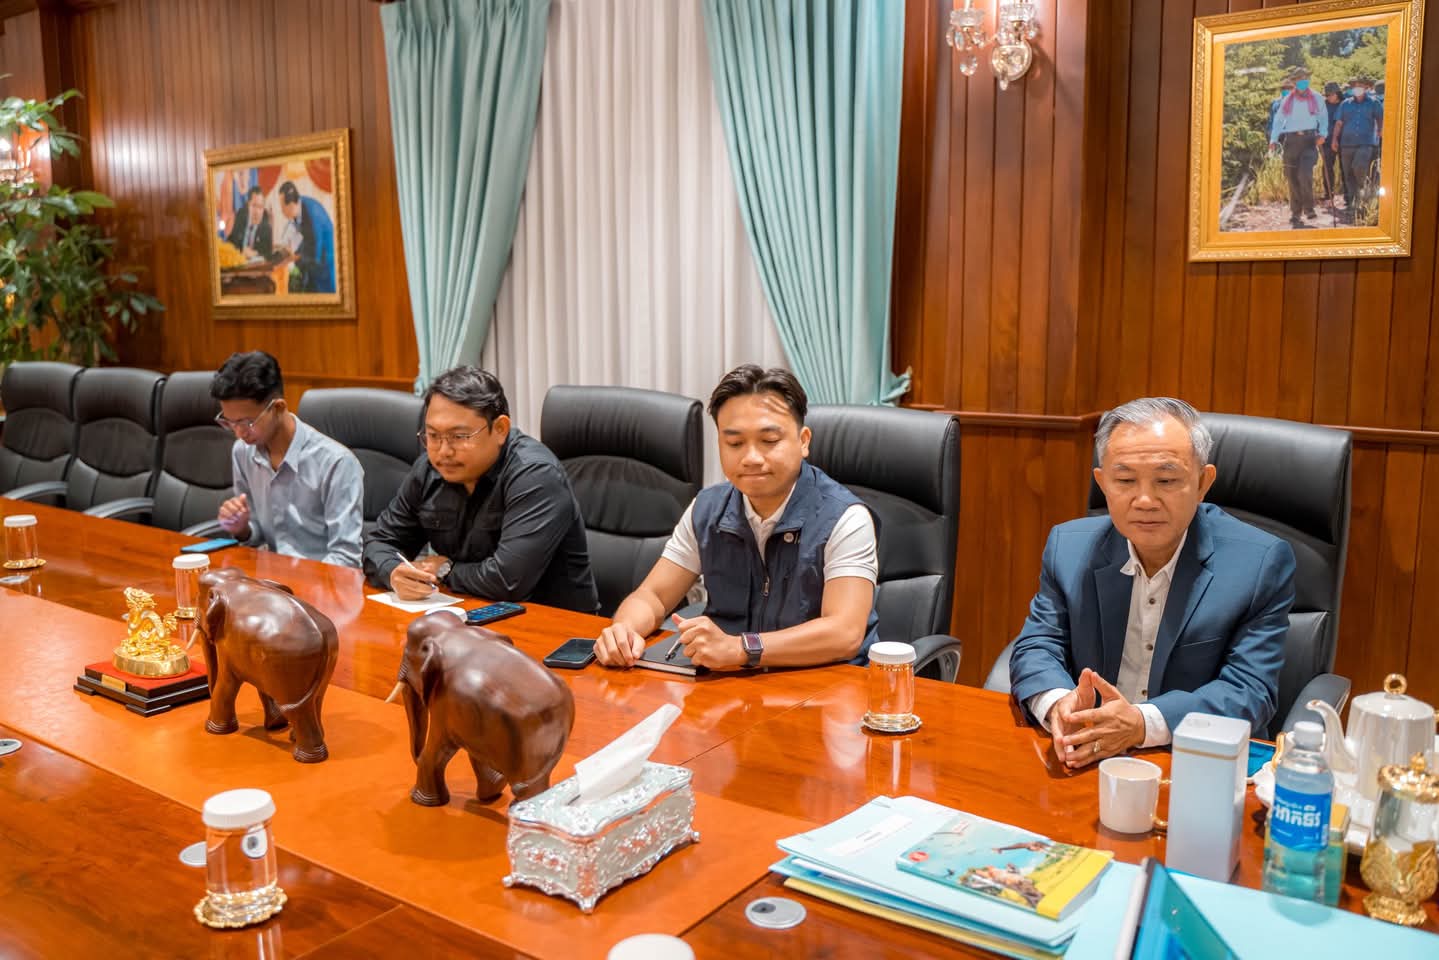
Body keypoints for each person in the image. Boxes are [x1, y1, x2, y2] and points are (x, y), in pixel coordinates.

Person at [1008, 397, 1295, 769]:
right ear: (1103, 483)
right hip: (1086, 753)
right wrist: (1057, 703)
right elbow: (1038, 644)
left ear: (1203, 482)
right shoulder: (1069, 548)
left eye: (1167, 480)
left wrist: (1142, 724)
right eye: (1125, 480)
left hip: (1193, 763)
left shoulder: (1259, 563)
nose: (1144, 500)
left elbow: (1249, 691)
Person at [594, 364, 879, 672]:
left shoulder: (845, 518)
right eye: (734, 443)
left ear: (804, 441)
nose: (751, 458)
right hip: (731, 683)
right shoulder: (707, 509)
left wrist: (742, 648)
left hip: (825, 685)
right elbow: (653, 596)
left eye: (769, 441)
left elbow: (844, 633)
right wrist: (623, 630)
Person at [362, 366, 599, 614]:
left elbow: (509, 581)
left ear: (500, 429)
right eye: (433, 435)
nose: (443, 451)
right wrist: (393, 572)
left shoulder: (535, 475)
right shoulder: (429, 470)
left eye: (459, 436)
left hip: (551, 624)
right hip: (465, 614)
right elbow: (379, 542)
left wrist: (446, 570)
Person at [211, 351, 363, 567]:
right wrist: (242, 529)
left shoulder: (336, 463)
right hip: (272, 577)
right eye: (230, 422)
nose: (239, 433)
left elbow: (346, 558)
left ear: (278, 408)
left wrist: (297, 583)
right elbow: (256, 536)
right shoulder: (242, 452)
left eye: (247, 423)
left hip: (321, 580)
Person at [1269, 67, 1328, 229]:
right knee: (1292, 177)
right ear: (1294, 82)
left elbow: (1323, 117)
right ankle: (1296, 212)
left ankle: (1309, 208)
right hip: (1291, 141)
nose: (1302, 81)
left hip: (1309, 140)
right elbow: (1279, 120)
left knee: (1304, 174)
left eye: (1305, 78)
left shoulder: (1316, 97)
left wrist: (1323, 134)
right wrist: (1273, 139)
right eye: (1299, 79)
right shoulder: (1287, 100)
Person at [1331, 77, 1384, 217]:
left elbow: (1380, 118)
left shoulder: (1374, 102)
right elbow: (1339, 123)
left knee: (1359, 167)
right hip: (1346, 144)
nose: (1357, 88)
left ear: (1366, 88)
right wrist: (1335, 139)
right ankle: (1354, 205)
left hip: (1366, 143)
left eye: (1360, 86)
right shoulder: (1345, 104)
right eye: (1355, 86)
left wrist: (1380, 130)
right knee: (1348, 175)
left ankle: (1366, 193)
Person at [277, 181, 336, 293]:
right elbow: (306, 241)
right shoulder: (299, 207)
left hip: (324, 264)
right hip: (315, 260)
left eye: (282, 207)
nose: (282, 211)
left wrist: (295, 258)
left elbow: (315, 252)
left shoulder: (312, 214)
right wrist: (294, 254)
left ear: (291, 205)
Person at [226, 186, 273, 261]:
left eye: (260, 207)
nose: (257, 212)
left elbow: (268, 254)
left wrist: (255, 253)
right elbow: (231, 242)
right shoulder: (240, 216)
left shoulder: (266, 228)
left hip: (255, 266)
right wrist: (241, 251)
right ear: (248, 205)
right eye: (254, 206)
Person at [1319, 82, 1346, 203]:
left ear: (1337, 94)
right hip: (1326, 141)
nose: (1328, 97)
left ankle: (1347, 195)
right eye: (1327, 95)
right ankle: (1328, 193)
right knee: (1327, 167)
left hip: (1344, 141)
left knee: (1344, 168)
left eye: (1331, 94)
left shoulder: (1345, 104)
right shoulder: (1323, 106)